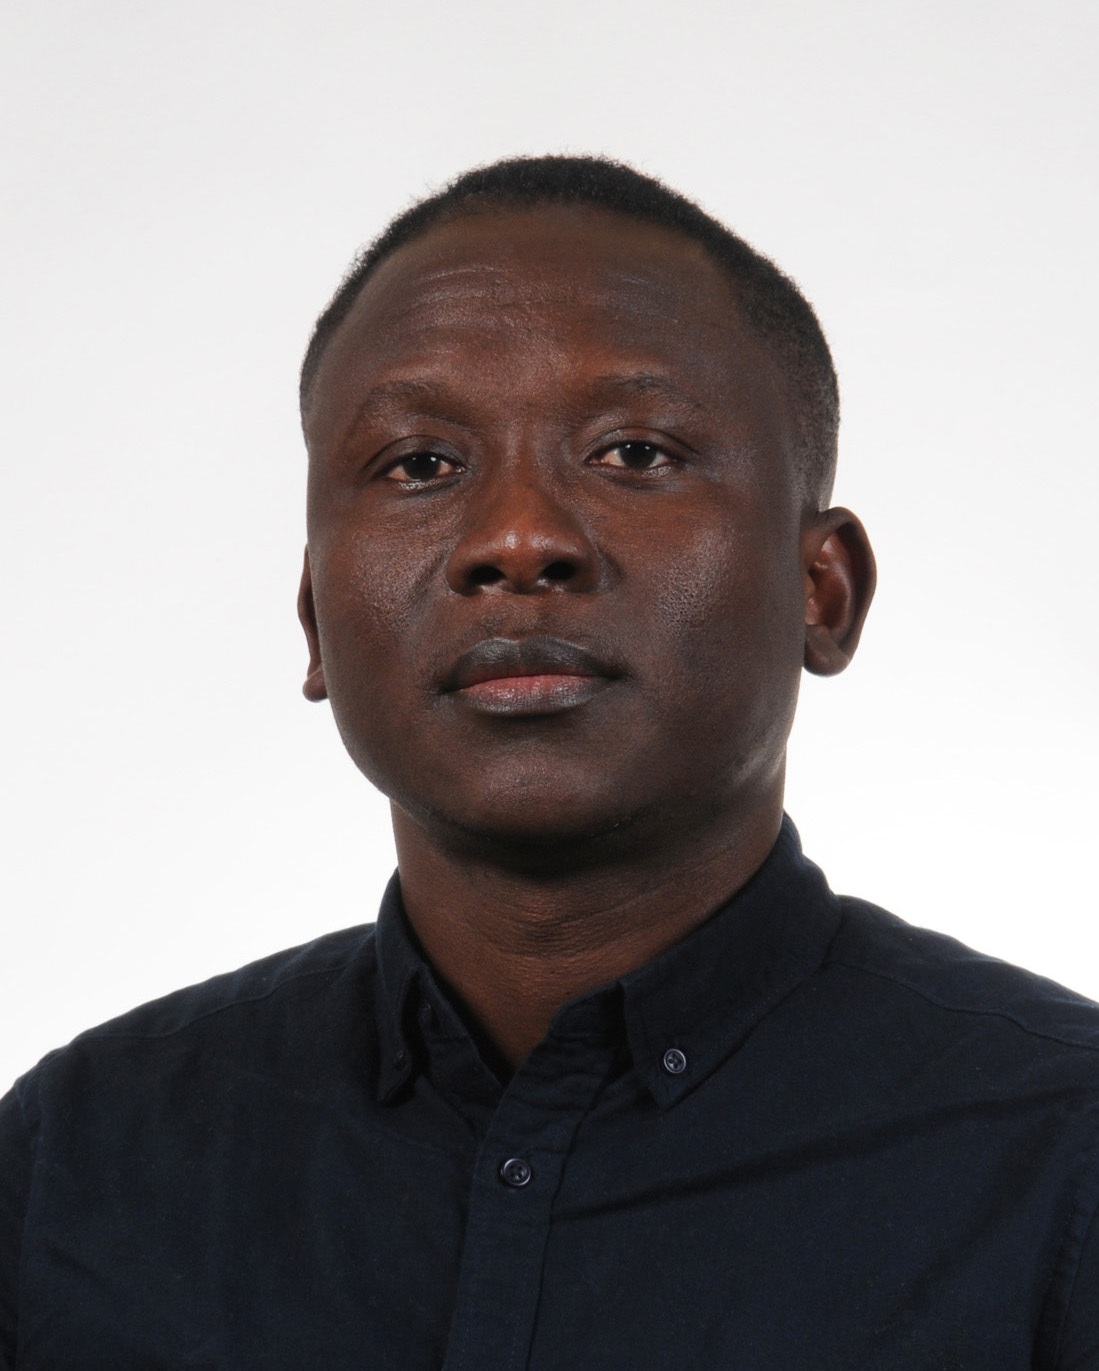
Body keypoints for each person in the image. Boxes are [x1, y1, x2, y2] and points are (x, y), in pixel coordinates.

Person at [1, 156, 1097, 1369]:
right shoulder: (73, 1168)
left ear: (822, 591)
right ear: (315, 621)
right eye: (419, 464)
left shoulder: (1063, 1152)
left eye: (635, 453)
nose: (518, 539)